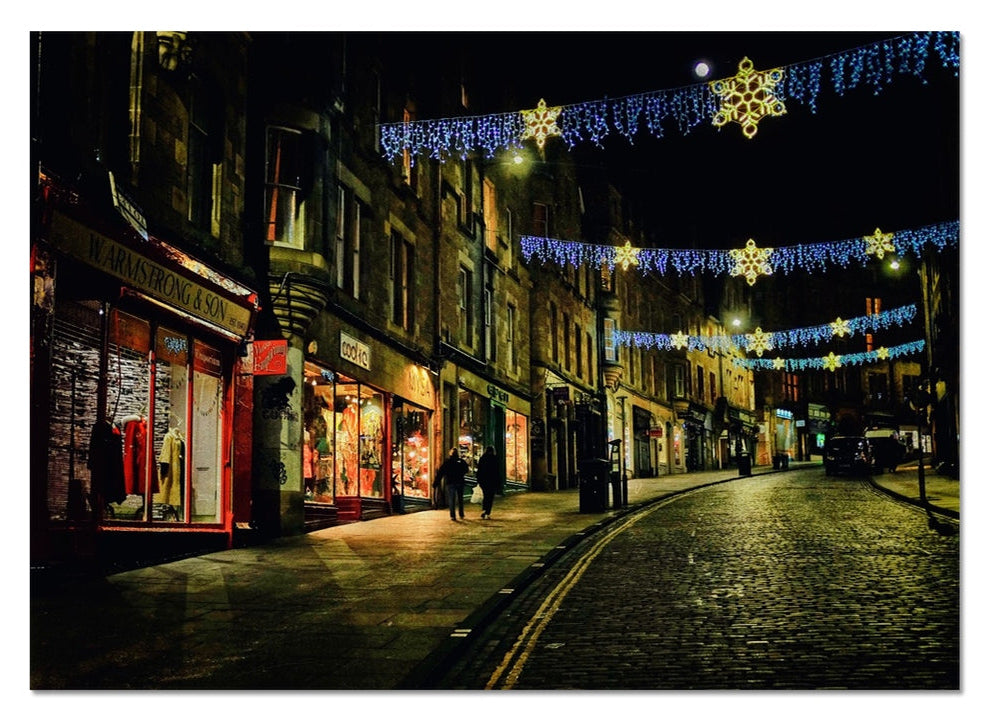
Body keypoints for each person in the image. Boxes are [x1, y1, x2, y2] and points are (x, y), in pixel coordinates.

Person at [434, 447, 469, 521]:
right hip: (460, 482)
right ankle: (461, 513)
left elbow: (441, 473)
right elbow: (466, 470)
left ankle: (453, 515)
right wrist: (460, 474)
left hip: (450, 482)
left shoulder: (447, 462)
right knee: (460, 499)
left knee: (451, 499)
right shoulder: (461, 461)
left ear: (450, 454)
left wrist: (436, 482)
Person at [475, 445, 500, 519]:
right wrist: (498, 482)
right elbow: (497, 471)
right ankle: (487, 512)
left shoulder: (482, 458)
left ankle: (484, 510)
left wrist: (479, 480)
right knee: (490, 497)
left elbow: (479, 470)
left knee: (485, 496)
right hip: (492, 481)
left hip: (484, 481)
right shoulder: (495, 459)